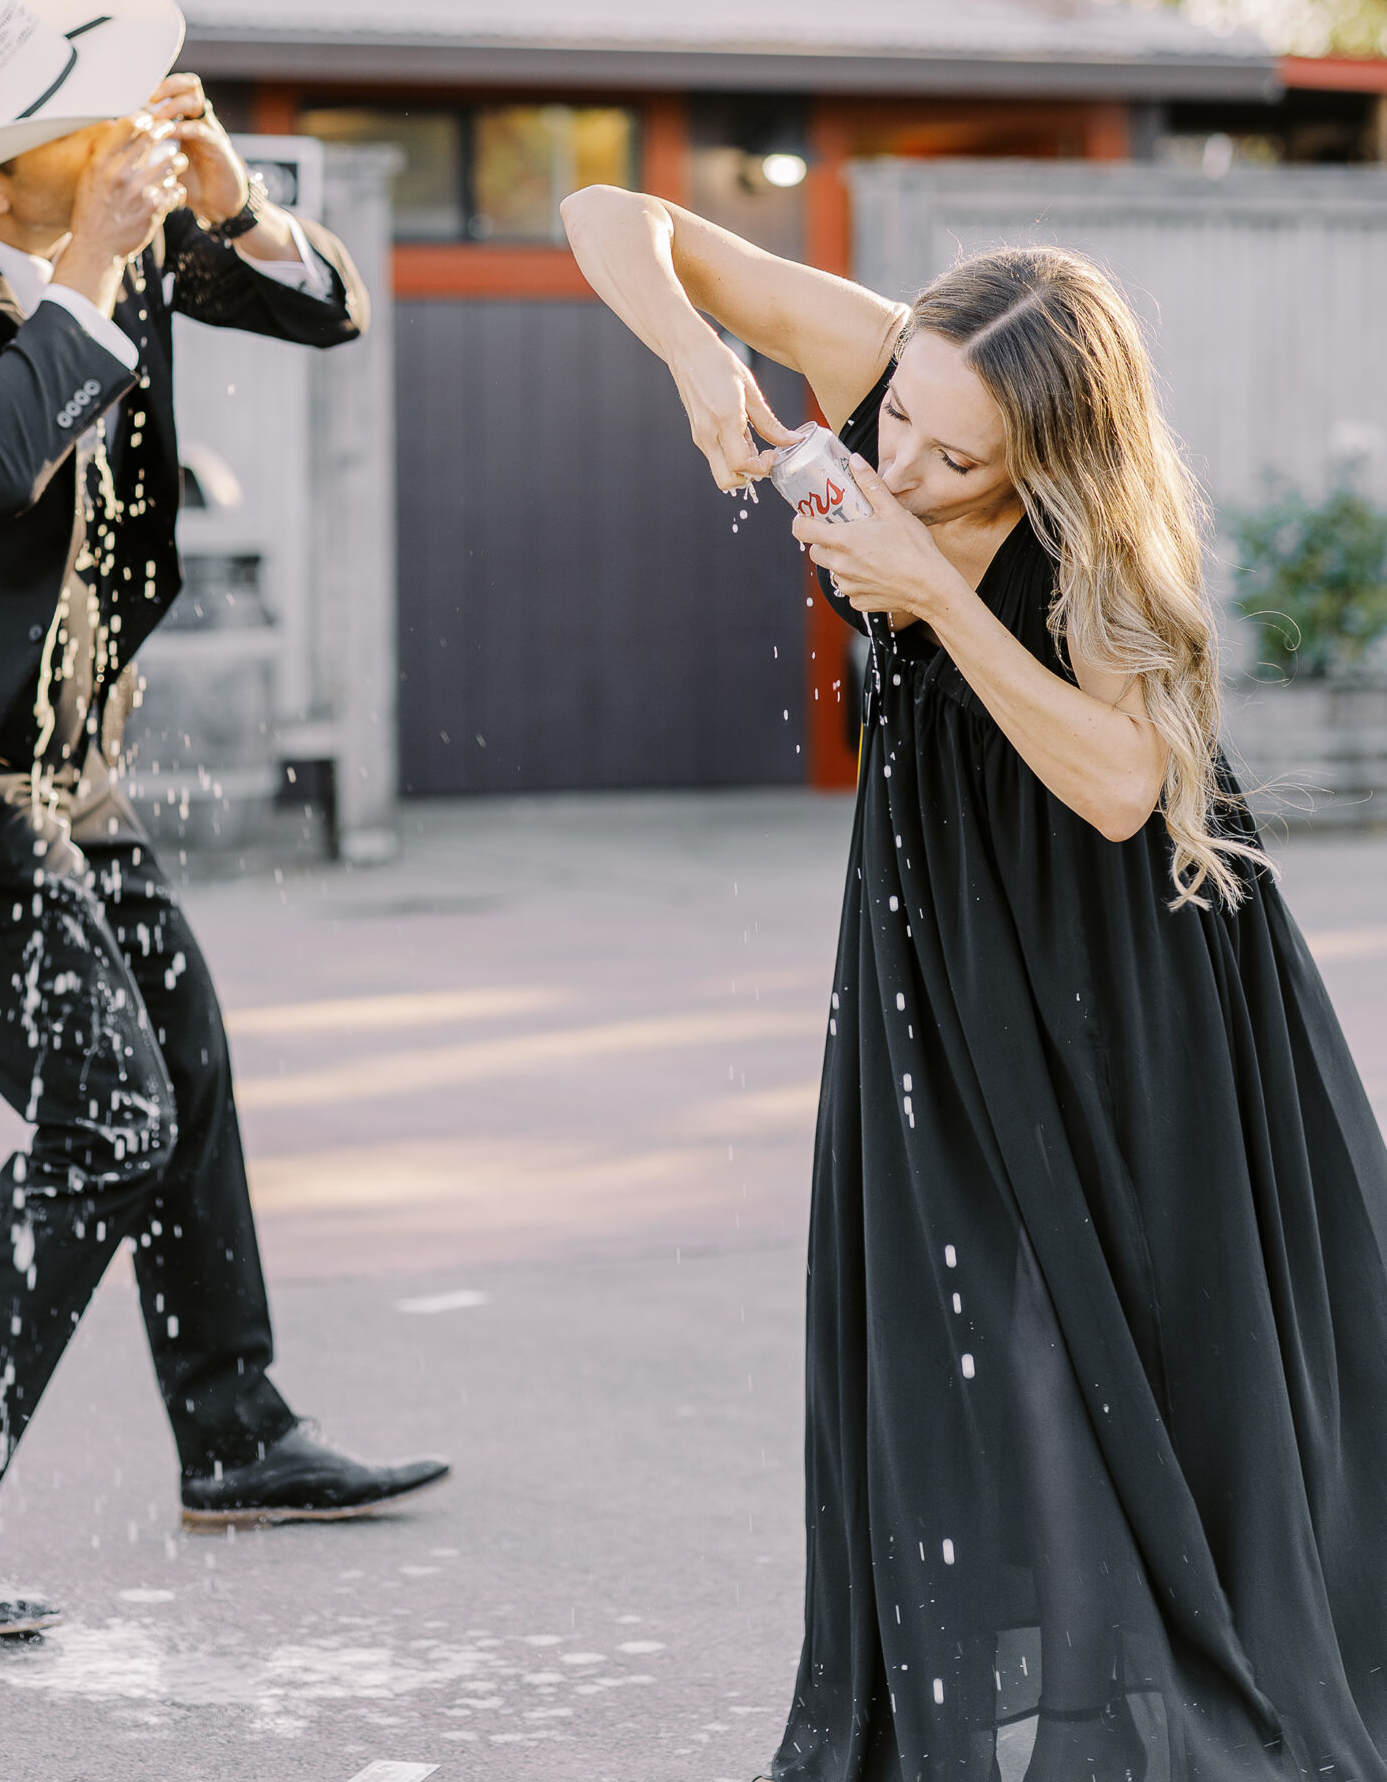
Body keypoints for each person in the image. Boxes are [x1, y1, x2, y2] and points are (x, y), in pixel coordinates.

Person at [563, 182, 1387, 1782]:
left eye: (954, 459)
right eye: (899, 426)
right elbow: (612, 213)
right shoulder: (895, 376)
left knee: (1138, 1325)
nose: (902, 466)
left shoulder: (1110, 541)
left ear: (1054, 450)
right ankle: (1053, 1706)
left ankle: (1154, 1707)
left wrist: (935, 589)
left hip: (1126, 963)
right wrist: (694, 361)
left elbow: (1122, 787)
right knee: (968, 1315)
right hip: (943, 934)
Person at [0, 0, 447, 1640]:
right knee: (106, 1117)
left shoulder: (119, 234)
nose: (130, 131)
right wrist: (102, 263)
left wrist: (238, 202)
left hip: (74, 769)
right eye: (85, 119)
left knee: (180, 1064)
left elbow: (327, 306)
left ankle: (237, 1430)